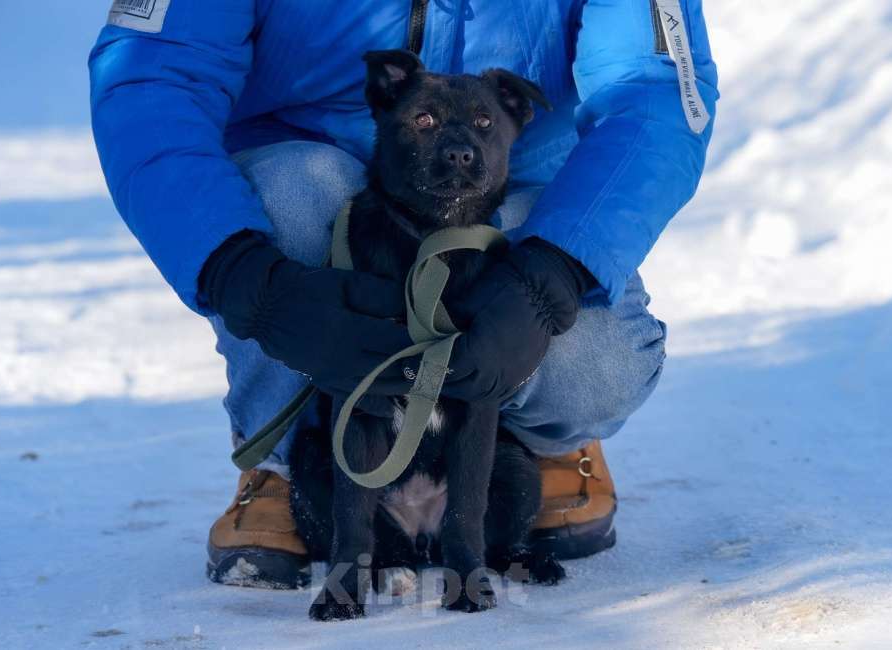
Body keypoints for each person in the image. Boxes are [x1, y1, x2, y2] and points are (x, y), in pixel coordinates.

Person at [89, 0, 717, 587]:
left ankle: (542, 446)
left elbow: (654, 90)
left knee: (598, 359)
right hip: (316, 182)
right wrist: (243, 275)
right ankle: (286, 466)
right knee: (292, 193)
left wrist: (556, 271)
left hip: (520, 198)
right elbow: (151, 75)